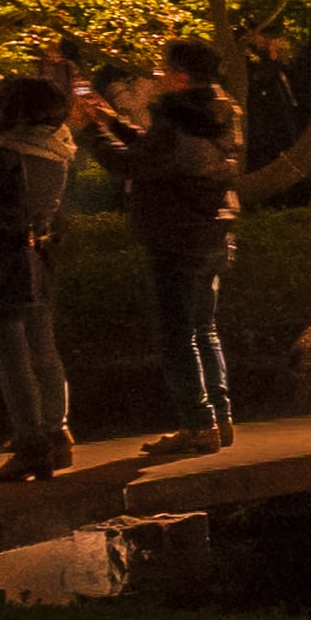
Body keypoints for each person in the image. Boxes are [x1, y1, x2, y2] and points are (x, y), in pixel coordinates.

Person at [87, 37, 243, 455]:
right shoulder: (218, 112)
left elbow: (133, 164)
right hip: (213, 229)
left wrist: (89, 131)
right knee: (204, 330)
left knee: (178, 335)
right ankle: (220, 419)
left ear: (179, 77)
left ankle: (197, 425)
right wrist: (113, 122)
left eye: (161, 69)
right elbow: (159, 154)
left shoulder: (176, 120)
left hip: (176, 234)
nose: (155, 76)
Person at [0, 73, 80, 481]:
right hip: (38, 254)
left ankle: (30, 444)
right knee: (44, 351)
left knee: (12, 361)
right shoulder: (57, 148)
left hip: (0, 260)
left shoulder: (3, 153)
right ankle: (56, 433)